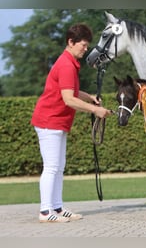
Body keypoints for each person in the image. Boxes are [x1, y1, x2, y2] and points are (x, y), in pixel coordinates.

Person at [31, 23, 112, 223]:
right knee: (51, 167)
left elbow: (72, 92)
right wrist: (96, 110)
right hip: (49, 121)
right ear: (71, 42)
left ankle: (56, 208)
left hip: (57, 122)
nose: (86, 49)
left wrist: (89, 97)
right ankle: (45, 212)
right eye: (83, 45)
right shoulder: (66, 65)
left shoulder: (69, 63)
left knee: (59, 167)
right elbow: (68, 99)